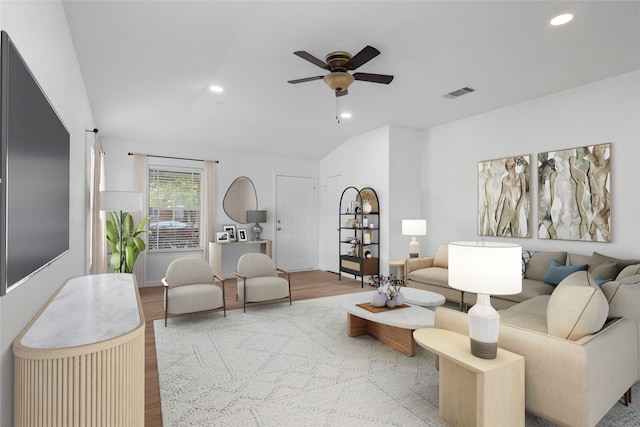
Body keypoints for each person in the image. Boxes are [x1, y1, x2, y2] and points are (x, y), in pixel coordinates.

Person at [585, 144, 611, 242]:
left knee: (604, 232)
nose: (597, 150)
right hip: (599, 200)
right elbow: (585, 150)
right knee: (593, 231)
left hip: (601, 201)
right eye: (596, 148)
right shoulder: (596, 163)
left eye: (600, 149)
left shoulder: (602, 164)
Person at [495, 157, 526, 237]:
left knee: (515, 234)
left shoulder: (521, 177)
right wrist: (497, 211)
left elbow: (523, 194)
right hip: (506, 209)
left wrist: (518, 209)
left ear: (514, 165)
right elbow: (502, 196)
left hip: (516, 208)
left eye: (510, 166)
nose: (509, 169)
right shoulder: (505, 179)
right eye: (507, 167)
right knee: (499, 233)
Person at [569, 147, 591, 239]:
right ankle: (582, 236)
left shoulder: (587, 163)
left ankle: (584, 236)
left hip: (585, 190)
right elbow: (573, 174)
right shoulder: (572, 159)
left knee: (586, 213)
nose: (579, 151)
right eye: (578, 149)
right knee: (581, 213)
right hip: (575, 188)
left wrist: (590, 190)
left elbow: (588, 177)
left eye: (581, 150)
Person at [538, 153, 558, 239]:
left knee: (553, 234)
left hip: (546, 209)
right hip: (542, 210)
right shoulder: (542, 172)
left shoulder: (553, 175)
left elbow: (552, 192)